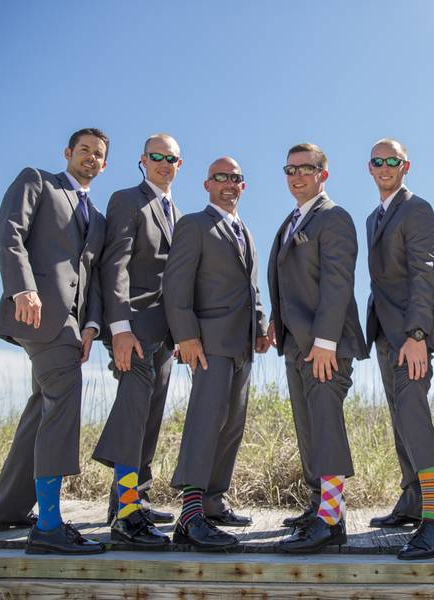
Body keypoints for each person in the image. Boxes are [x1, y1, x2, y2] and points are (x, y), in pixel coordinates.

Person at [0, 128, 109, 555]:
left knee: (42, 407)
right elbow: (10, 232)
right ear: (68, 152)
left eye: (98, 154)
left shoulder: (98, 217)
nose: (90, 157)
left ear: (105, 164)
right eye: (84, 150)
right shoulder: (37, 181)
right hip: (36, 310)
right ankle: (50, 526)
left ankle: (7, 510)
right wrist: (22, 288)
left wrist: (92, 325)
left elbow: (93, 274)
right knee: (63, 401)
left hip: (72, 325)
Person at [163, 156, 270, 551]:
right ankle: (190, 516)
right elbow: (176, 285)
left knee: (231, 425)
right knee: (205, 421)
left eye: (235, 178)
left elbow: (251, 289)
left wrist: (261, 326)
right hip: (207, 343)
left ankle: (213, 502)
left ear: (243, 186)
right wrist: (186, 336)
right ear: (207, 184)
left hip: (242, 344)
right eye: (220, 177)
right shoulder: (194, 224)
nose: (228, 184)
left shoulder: (245, 232)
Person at [267, 142, 369, 553]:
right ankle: (319, 505)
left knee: (326, 425)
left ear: (323, 174)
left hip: (326, 346)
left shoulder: (334, 217)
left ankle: (331, 520)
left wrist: (325, 341)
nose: (296, 176)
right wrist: (276, 323)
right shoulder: (291, 221)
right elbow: (290, 283)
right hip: (296, 344)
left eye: (305, 169)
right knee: (308, 428)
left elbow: (337, 282)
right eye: (290, 170)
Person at [362, 139, 434, 560]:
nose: (385, 167)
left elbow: (422, 272)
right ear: (370, 168)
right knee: (400, 415)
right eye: (378, 161)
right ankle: (413, 498)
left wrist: (417, 334)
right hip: (384, 332)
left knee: (413, 411)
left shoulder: (417, 209)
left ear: (405, 166)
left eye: (392, 161)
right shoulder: (373, 217)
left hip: (410, 336)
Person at [92, 133, 182, 547]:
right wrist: (120, 328)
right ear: (143, 160)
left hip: (164, 333)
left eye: (172, 158)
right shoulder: (127, 200)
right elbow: (115, 265)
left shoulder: (176, 212)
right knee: (131, 414)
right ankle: (127, 515)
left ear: (179, 165)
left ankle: (132, 499)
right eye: (157, 156)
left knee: (149, 417)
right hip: (133, 328)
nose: (165, 163)